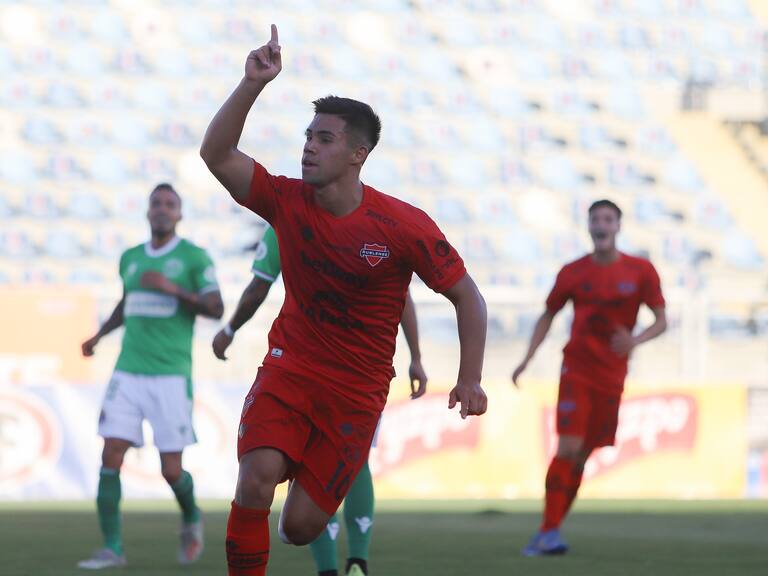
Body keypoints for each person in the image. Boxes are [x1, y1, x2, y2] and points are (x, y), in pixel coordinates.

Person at [199, 25, 488, 576]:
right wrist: (251, 83)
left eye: (324, 138)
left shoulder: (402, 225)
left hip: (355, 393)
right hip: (289, 370)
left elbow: (467, 296)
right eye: (308, 135)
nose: (309, 144)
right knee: (255, 477)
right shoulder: (286, 200)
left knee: (298, 528)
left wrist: (469, 377)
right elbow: (216, 154)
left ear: (358, 153)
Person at [212, 225, 428, 576]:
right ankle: (353, 563)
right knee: (345, 469)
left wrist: (230, 329)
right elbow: (401, 296)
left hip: (353, 379)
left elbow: (258, 286)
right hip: (329, 375)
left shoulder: (337, 222)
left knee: (328, 469)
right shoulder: (299, 218)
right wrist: (416, 355)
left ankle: (339, 566)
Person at [77, 183, 224, 569]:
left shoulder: (193, 258)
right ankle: (112, 547)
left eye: (169, 204)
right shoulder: (130, 258)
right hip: (128, 371)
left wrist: (174, 289)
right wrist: (99, 336)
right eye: (156, 203)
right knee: (110, 453)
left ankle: (191, 516)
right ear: (146, 212)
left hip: (170, 375)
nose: (162, 209)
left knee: (171, 469)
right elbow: (127, 304)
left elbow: (216, 307)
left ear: (179, 214)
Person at [512, 199, 667, 556]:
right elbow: (548, 314)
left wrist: (635, 340)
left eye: (608, 219)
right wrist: (527, 358)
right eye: (595, 218)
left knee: (582, 455)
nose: (601, 224)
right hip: (577, 369)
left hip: (612, 375)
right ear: (588, 226)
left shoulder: (641, 271)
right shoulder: (573, 272)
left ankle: (549, 531)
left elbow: (661, 320)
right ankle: (550, 530)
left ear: (618, 226)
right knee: (567, 447)